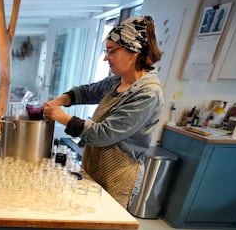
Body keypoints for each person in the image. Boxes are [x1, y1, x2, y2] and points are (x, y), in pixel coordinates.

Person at [43, 16, 164, 208]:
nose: (106, 58)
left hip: (118, 177)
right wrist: (59, 101)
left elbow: (103, 134)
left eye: (112, 51)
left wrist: (62, 117)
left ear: (134, 52)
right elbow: (87, 91)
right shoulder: (118, 80)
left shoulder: (148, 93)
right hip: (94, 166)